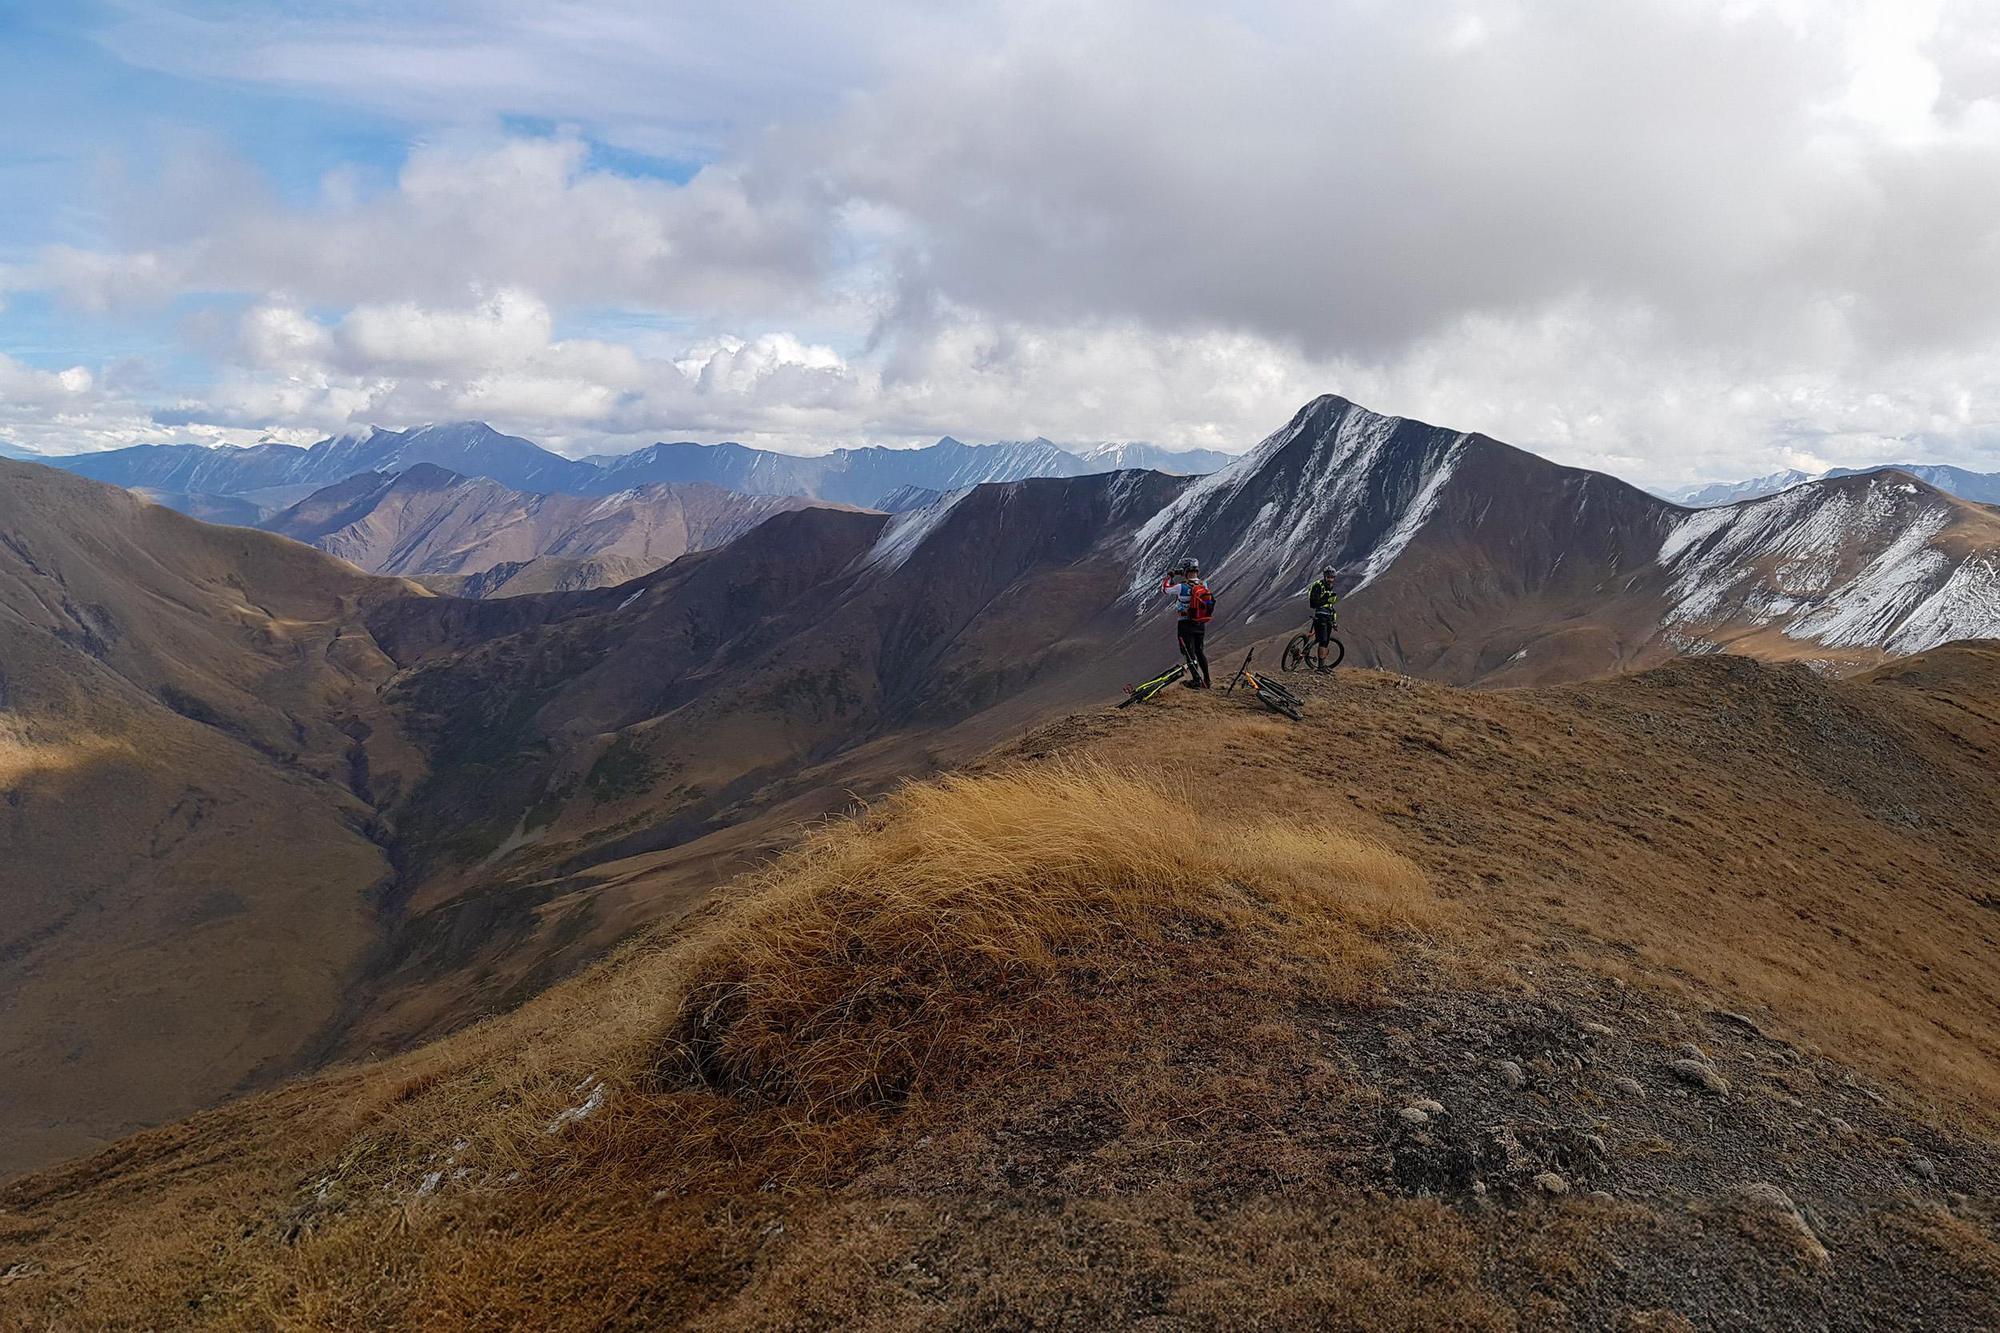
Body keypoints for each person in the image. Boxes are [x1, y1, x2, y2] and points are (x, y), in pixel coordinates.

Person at [1161, 558, 1213, 688]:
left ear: (1185, 570)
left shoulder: (1181, 587)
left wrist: (1170, 576)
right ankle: (1207, 679)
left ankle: (1196, 680)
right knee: (1200, 650)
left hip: (1185, 623)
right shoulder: (1204, 585)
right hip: (1200, 622)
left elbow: (1165, 589)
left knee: (1189, 652)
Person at [1308, 565, 1339, 669]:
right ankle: (1321, 667)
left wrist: (1334, 621)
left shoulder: (1330, 588)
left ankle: (1322, 665)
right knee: (1323, 640)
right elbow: (1313, 603)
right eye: (1328, 577)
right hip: (1320, 616)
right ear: (1325, 576)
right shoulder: (1318, 586)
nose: (1330, 579)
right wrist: (1326, 599)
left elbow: (1330, 606)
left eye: (1332, 577)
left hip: (1328, 617)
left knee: (1325, 641)